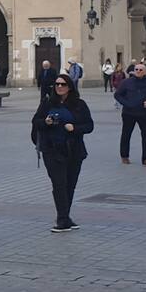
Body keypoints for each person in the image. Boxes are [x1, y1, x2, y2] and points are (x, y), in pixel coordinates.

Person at [32, 73, 94, 233]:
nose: (59, 87)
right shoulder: (47, 103)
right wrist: (45, 122)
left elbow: (89, 126)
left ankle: (65, 217)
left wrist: (75, 128)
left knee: (69, 185)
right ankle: (62, 219)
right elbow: (36, 122)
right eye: (57, 84)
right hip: (52, 150)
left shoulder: (79, 104)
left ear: (70, 87)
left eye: (63, 84)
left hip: (74, 150)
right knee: (59, 184)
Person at [115, 63, 146, 167]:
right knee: (126, 134)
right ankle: (124, 156)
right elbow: (117, 95)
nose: (138, 71)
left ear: (145, 72)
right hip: (128, 113)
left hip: (142, 113)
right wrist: (126, 103)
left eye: (141, 70)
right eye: (136, 69)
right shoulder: (127, 82)